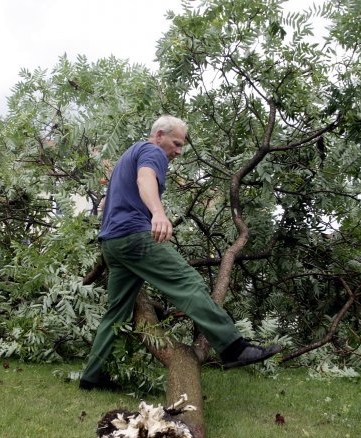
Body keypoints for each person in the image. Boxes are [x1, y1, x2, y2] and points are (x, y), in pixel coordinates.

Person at [79, 115, 282, 391]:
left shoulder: (128, 155)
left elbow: (109, 200)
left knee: (116, 312)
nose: (178, 151)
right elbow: (145, 178)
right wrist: (158, 213)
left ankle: (91, 377)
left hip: (112, 245)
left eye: (181, 146)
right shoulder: (152, 152)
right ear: (159, 135)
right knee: (189, 284)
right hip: (135, 238)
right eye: (176, 143)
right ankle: (234, 348)